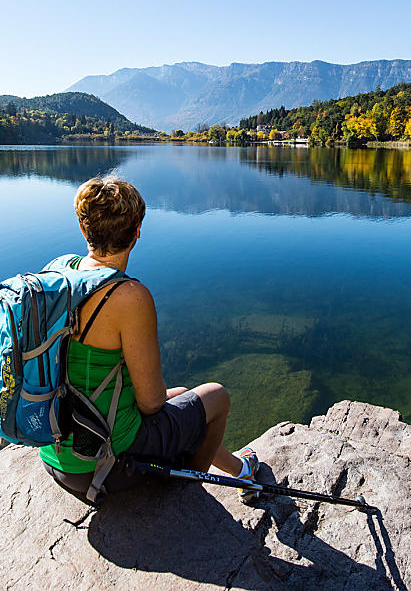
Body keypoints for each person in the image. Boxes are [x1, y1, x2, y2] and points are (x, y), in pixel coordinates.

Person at [40, 175, 258, 502]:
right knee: (217, 396)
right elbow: (152, 402)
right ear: (136, 233)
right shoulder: (129, 296)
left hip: (57, 458)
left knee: (184, 394)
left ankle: (239, 469)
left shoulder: (58, 271)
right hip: (106, 467)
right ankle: (186, 490)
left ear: (84, 230)